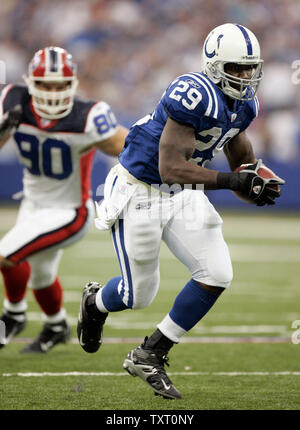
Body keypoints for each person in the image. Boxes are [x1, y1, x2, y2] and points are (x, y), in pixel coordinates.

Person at [77, 23, 285, 399]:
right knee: (136, 295)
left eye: (249, 67)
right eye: (236, 67)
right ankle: (95, 302)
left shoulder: (245, 104)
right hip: (141, 188)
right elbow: (171, 167)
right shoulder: (192, 94)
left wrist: (255, 180)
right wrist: (233, 182)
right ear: (214, 64)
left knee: (217, 272)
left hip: (182, 192)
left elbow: (241, 158)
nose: (244, 75)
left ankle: (151, 352)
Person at [0, 46, 128, 353]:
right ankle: (56, 325)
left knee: (6, 254)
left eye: (60, 85)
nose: (53, 92)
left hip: (70, 211)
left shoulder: (88, 116)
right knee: (42, 277)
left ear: (73, 84)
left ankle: (13, 315)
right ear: (31, 82)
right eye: (45, 84)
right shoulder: (12, 102)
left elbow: (128, 145)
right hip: (32, 205)